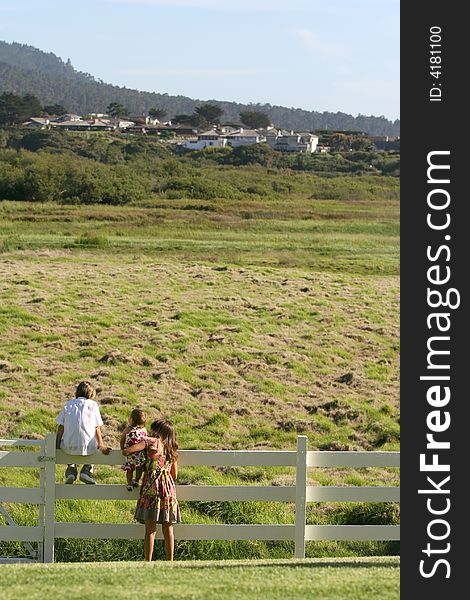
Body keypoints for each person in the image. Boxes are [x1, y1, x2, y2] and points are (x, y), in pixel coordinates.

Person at [122, 418, 180, 561]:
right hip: (167, 489)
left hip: (151, 487)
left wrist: (127, 444)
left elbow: (127, 451)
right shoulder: (171, 449)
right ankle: (170, 560)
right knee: (168, 528)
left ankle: (148, 560)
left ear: (157, 431)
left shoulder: (150, 442)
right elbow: (175, 475)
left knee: (150, 529)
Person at [56, 381, 110, 484]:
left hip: (68, 446)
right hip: (88, 447)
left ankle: (71, 470)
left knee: (68, 446)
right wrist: (101, 445)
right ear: (91, 394)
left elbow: (61, 427)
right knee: (93, 447)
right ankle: (86, 470)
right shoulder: (93, 405)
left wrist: (57, 445)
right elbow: (96, 428)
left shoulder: (68, 404)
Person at [120, 408, 147, 491]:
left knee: (130, 469)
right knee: (139, 468)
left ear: (131, 419)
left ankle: (129, 483)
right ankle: (136, 480)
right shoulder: (143, 430)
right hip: (140, 454)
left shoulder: (127, 429)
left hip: (130, 454)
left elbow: (122, 440)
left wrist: (122, 449)